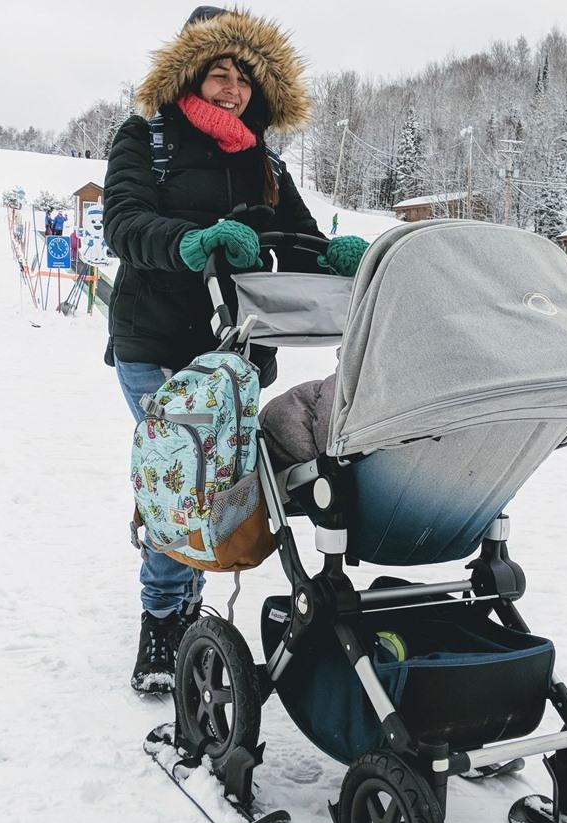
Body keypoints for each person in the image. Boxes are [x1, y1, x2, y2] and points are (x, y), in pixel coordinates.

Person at [103, 5, 369, 692]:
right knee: (188, 478)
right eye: (219, 73)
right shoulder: (146, 138)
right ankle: (162, 619)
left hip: (236, 350)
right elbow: (124, 224)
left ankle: (188, 596)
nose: (233, 89)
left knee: (215, 485)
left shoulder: (263, 159)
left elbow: (300, 237)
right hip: (155, 342)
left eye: (245, 78)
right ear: (189, 74)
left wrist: (333, 256)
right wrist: (191, 242)